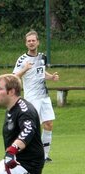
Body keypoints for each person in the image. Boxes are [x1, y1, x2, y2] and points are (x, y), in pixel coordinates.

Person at [13, 30, 59, 162]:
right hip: (32, 98)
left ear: (38, 42)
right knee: (31, 127)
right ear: (26, 43)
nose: (31, 43)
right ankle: (23, 154)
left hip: (44, 96)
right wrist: (25, 69)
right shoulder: (22, 59)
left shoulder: (42, 57)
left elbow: (41, 72)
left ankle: (44, 155)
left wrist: (52, 77)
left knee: (49, 124)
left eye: (33, 40)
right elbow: (14, 76)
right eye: (29, 41)